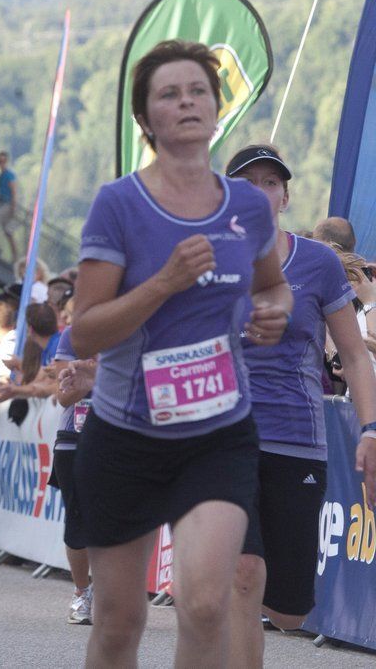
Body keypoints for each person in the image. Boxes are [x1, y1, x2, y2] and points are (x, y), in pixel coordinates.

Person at [70, 40, 293, 668]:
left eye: (198, 91)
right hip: (126, 435)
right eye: (169, 94)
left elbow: (271, 285)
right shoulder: (119, 204)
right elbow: (84, 333)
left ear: (217, 108)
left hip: (218, 432)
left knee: (205, 604)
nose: (187, 102)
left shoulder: (246, 206)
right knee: (119, 624)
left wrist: (273, 310)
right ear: (146, 119)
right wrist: (163, 283)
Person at [223, 144, 376, 666]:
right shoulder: (206, 260)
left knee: (288, 610)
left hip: (296, 440)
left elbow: (354, 355)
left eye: (270, 183)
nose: (259, 192)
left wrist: (370, 429)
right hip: (223, 441)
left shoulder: (317, 262)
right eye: (247, 183)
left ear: (284, 197)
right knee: (244, 575)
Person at [51, 325, 96, 624]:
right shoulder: (75, 333)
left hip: (127, 436)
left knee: (119, 519)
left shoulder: (141, 324)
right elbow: (64, 397)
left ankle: (113, 591)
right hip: (75, 436)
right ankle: (82, 591)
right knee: (77, 519)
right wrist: (91, 379)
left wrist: (101, 372)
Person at [0, 151, 20, 260]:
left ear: (6, 162)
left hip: (8, 205)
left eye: (3, 161)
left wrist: (13, 208)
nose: (1, 163)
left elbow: (14, 192)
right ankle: (15, 256)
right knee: (8, 232)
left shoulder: (9, 175)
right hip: (2, 203)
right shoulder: (1, 175)